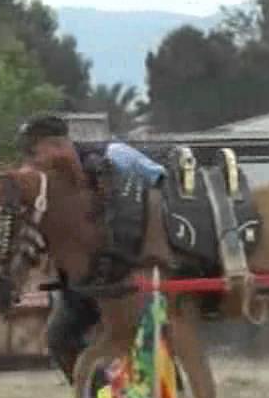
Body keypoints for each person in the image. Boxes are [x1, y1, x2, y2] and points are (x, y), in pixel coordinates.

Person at [11, 113, 167, 382]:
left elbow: (162, 184)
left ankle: (164, 395)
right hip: (81, 284)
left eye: (34, 152)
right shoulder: (38, 187)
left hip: (128, 274)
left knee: (146, 338)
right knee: (60, 339)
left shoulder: (115, 156)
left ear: (57, 145)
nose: (30, 161)